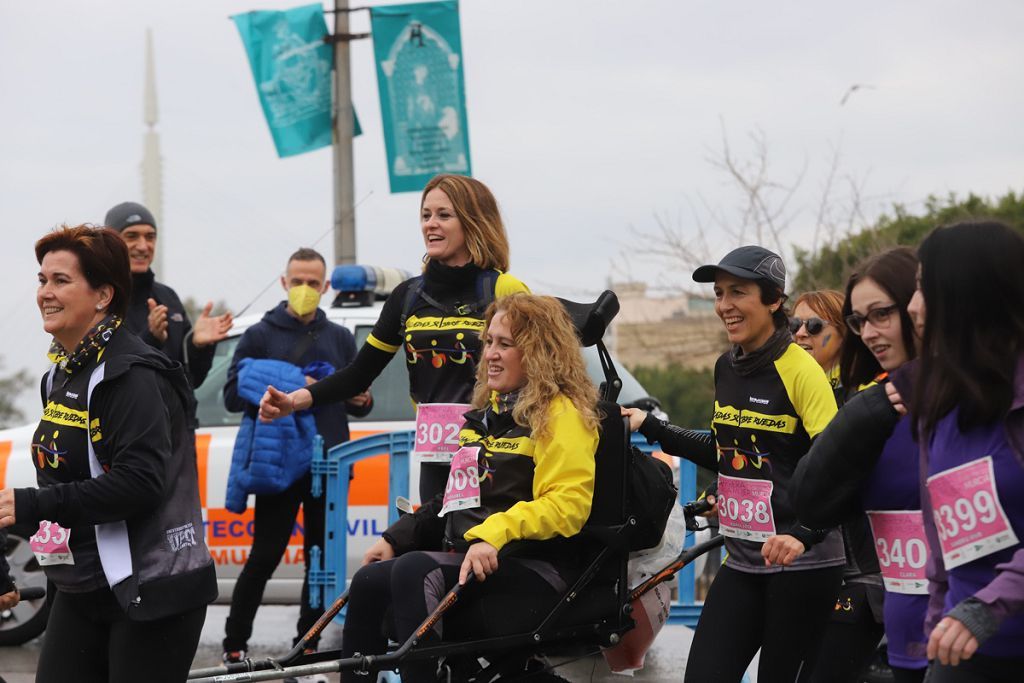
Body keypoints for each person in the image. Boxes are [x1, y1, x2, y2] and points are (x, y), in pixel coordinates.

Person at [338, 294, 600, 683]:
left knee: (415, 571)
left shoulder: (562, 414)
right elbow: (454, 500)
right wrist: (396, 537)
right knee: (368, 580)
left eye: (505, 344)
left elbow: (568, 505)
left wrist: (494, 535)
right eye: (489, 341)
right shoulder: (485, 414)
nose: (490, 354)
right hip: (480, 562)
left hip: (540, 567)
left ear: (540, 353)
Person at [0, 225, 216, 683]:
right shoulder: (59, 375)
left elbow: (140, 485)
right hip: (82, 585)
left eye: (61, 281)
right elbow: (62, 481)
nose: (45, 293)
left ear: (103, 295)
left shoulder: (132, 375)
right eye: (42, 280)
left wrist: (31, 503)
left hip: (153, 590)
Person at [623, 245, 844, 682]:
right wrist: (652, 426)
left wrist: (805, 532)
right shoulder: (728, 366)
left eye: (737, 292)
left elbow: (838, 464)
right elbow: (727, 453)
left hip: (801, 564)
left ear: (774, 299)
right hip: (742, 559)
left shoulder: (800, 370)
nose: (724, 306)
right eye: (719, 294)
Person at [259, 174, 529, 509]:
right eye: (426, 215)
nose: (431, 224)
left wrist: (601, 410)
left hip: (495, 452)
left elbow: (547, 368)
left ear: (472, 222)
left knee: (481, 555)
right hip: (436, 455)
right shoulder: (407, 295)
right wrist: (294, 400)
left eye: (444, 215)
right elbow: (359, 373)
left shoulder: (503, 289)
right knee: (438, 552)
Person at [220, 248, 372, 669]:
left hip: (330, 462)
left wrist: (362, 398)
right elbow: (233, 395)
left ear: (324, 287)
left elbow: (358, 401)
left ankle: (306, 645)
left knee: (320, 561)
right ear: (284, 282)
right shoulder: (261, 334)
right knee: (265, 555)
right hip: (280, 463)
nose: (305, 289)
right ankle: (235, 643)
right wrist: (291, 382)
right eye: (297, 281)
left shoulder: (340, 337)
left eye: (313, 282)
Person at [792, 248, 928, 683]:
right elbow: (811, 496)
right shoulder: (869, 399)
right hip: (894, 608)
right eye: (859, 321)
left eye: (881, 315)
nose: (868, 332)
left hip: (978, 627)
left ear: (920, 304)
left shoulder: (981, 395)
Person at [901, 221, 1024, 682]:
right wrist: (941, 615)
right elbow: (942, 536)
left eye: (923, 289)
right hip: (962, 653)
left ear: (967, 296)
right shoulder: (938, 402)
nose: (913, 307)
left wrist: (987, 608)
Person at [104, 201, 233, 388]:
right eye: (131, 236)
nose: (143, 246)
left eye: (150, 237)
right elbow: (105, 374)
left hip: (176, 418)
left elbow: (191, 381)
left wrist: (198, 346)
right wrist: (150, 338)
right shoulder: (98, 300)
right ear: (111, 243)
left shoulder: (167, 296)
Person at [791, 289, 844, 391]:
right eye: (795, 324)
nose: (800, 333)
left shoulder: (864, 393)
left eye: (814, 325)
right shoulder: (782, 383)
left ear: (843, 334)